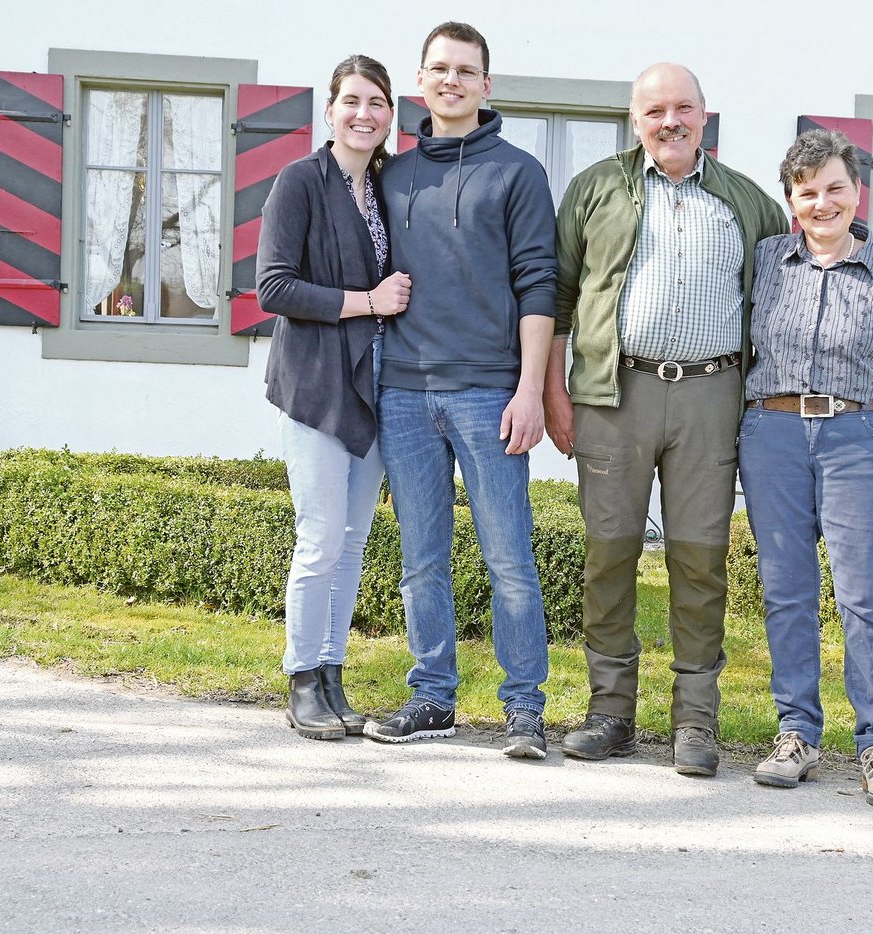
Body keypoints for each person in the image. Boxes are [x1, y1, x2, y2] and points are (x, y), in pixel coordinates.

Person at [546, 63, 787, 777]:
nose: (670, 121)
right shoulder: (594, 189)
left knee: (699, 558)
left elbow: (782, 294)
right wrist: (558, 394)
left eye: (684, 108)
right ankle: (611, 713)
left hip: (714, 396)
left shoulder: (747, 202)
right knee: (609, 552)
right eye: (656, 110)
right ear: (634, 119)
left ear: (705, 116)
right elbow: (560, 297)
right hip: (614, 394)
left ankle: (695, 725)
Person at [363, 22, 557, 759]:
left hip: (487, 393)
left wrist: (529, 390)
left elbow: (540, 286)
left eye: (465, 70)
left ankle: (523, 708)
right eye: (439, 68)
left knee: (510, 556)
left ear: (486, 85)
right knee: (421, 560)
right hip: (405, 394)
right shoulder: (392, 177)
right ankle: (433, 697)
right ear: (421, 82)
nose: (452, 80)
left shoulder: (518, 173)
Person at [739, 128, 873, 808]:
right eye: (807, 193)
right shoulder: (766, 260)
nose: (821, 204)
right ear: (791, 200)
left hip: (861, 433)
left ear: (858, 192)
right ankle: (795, 732)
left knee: (863, 594)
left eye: (834, 189)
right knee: (787, 589)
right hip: (771, 431)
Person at [257, 55, 411, 741]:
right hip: (318, 383)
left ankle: (332, 672)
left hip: (376, 382)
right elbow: (274, 287)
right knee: (319, 538)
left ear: (389, 116)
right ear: (330, 111)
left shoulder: (385, 188)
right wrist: (365, 302)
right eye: (352, 100)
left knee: (352, 543)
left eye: (377, 102)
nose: (365, 113)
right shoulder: (300, 182)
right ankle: (300, 677)